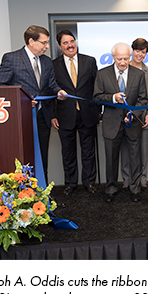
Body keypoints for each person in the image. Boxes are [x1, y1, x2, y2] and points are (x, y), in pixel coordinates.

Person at [0, 25, 66, 184]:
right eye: (44, 43)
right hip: (21, 118)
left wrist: (59, 91)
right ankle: (24, 195)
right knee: (23, 157)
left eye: (47, 43)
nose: (47, 47)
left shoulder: (46, 61)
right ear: (31, 41)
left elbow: (51, 84)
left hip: (43, 117)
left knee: (42, 158)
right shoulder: (11, 58)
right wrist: (22, 101)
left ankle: (43, 194)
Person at [93, 42, 148, 203]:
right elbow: (96, 97)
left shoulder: (139, 74)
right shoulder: (102, 74)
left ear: (130, 57)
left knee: (135, 159)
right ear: (113, 57)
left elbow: (143, 100)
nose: (123, 62)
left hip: (132, 124)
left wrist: (132, 113)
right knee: (111, 159)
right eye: (119, 59)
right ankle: (110, 189)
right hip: (111, 124)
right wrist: (112, 98)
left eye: (125, 58)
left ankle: (135, 189)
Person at [50, 30, 100, 196]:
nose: (70, 45)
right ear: (59, 46)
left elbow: (96, 87)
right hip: (64, 116)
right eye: (65, 43)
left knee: (88, 152)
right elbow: (49, 90)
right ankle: (71, 184)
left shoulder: (90, 61)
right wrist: (52, 115)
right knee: (68, 153)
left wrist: (98, 111)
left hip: (88, 114)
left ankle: (89, 183)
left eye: (72, 41)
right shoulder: (53, 65)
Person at [120, 38, 148, 192]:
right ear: (132, 51)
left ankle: (142, 179)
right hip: (126, 118)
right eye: (137, 51)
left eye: (143, 52)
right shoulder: (123, 69)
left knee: (142, 151)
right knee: (126, 150)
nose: (140, 54)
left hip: (143, 118)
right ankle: (126, 179)